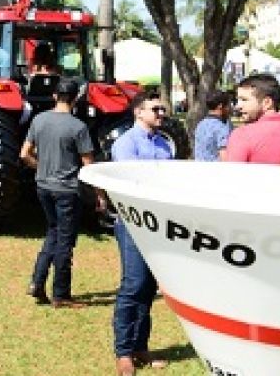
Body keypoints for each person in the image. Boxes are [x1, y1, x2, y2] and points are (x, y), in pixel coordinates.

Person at [109, 92, 172, 376]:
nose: (161, 113)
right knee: (133, 284)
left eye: (163, 109)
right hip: (133, 222)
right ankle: (123, 353)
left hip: (158, 224)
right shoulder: (125, 144)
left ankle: (140, 347)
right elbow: (131, 184)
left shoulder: (164, 144)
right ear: (138, 112)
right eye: (155, 109)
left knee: (147, 287)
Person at [19, 78, 94, 309]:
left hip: (43, 187)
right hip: (68, 191)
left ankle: (37, 282)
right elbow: (88, 166)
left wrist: (40, 167)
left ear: (54, 96)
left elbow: (24, 154)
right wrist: (99, 195)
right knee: (65, 243)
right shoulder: (78, 127)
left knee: (52, 233)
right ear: (76, 98)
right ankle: (61, 293)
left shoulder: (39, 120)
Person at [225, 73, 280, 164]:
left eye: (244, 100)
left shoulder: (242, 135)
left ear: (267, 103)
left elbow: (232, 176)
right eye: (238, 100)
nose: (238, 106)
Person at [193, 90, 232, 162]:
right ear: (220, 106)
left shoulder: (201, 124)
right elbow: (225, 156)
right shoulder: (221, 128)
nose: (230, 108)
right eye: (228, 105)